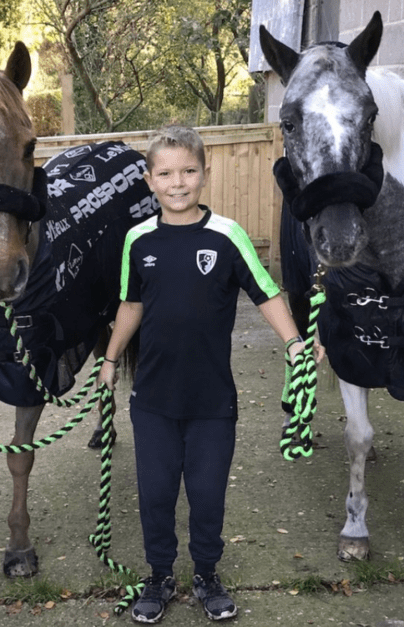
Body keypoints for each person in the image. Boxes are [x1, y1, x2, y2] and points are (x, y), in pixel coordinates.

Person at [98, 125, 312, 623]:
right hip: (152, 399)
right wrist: (110, 361)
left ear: (205, 175)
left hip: (213, 401)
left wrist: (296, 343)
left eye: (189, 171)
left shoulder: (228, 235)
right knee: (154, 494)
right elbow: (131, 304)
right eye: (167, 173)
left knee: (207, 494)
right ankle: (158, 576)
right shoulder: (137, 240)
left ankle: (207, 574)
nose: (178, 183)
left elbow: (266, 293)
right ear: (150, 181)